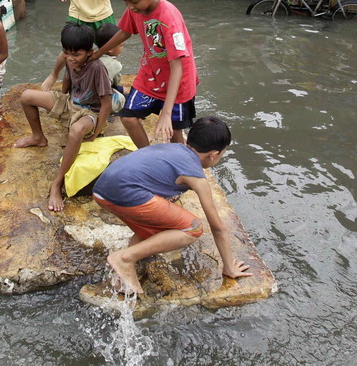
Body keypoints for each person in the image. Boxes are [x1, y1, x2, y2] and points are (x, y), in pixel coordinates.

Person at [92, 116, 252, 294]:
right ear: (213, 154)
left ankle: (120, 278)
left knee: (163, 224)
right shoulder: (196, 177)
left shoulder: (174, 148)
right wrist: (229, 266)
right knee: (193, 228)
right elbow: (218, 227)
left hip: (102, 189)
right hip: (125, 192)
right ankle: (125, 258)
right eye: (222, 154)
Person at [92, 0, 199, 149]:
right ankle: (148, 156)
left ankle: (179, 165)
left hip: (178, 82)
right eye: (125, 0)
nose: (130, 6)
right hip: (151, 76)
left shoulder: (169, 19)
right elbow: (124, 31)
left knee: (174, 132)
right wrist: (97, 53)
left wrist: (166, 112)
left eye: (133, 1)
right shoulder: (135, 9)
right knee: (128, 118)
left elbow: (178, 67)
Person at [14, 23, 112, 212]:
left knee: (76, 131)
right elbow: (67, 80)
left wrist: (97, 132)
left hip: (89, 112)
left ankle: (57, 183)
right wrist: (58, 99)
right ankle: (38, 137)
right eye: (67, 53)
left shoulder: (97, 68)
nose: (70, 58)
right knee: (26, 96)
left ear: (90, 52)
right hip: (70, 104)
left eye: (76, 55)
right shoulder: (69, 60)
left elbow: (106, 103)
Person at [95, 22, 126, 113]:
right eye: (121, 45)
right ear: (110, 49)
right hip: (98, 100)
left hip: (83, 95)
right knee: (121, 98)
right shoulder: (115, 65)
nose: (122, 47)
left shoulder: (93, 55)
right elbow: (115, 84)